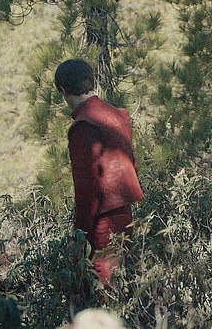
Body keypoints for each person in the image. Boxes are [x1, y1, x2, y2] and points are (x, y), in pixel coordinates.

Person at [54, 58, 144, 286]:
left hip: (101, 223)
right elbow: (131, 164)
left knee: (103, 288)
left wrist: (79, 235)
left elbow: (87, 190)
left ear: (63, 91)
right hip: (125, 213)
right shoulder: (118, 116)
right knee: (124, 283)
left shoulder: (83, 126)